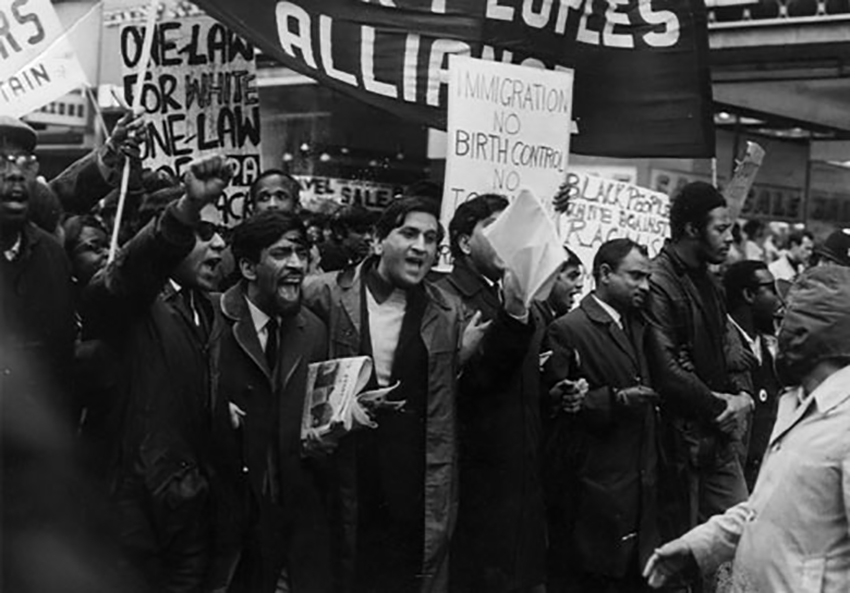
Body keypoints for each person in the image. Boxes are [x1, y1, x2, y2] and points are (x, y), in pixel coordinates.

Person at [644, 266, 850, 593]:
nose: (777, 334)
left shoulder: (844, 424)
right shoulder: (796, 405)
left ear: (806, 334)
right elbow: (764, 512)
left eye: (787, 322)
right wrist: (698, 547)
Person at [79, 154, 233, 592]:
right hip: (133, 521)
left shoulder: (209, 309)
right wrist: (186, 207)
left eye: (220, 233)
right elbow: (134, 269)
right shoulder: (125, 303)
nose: (219, 246)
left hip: (191, 515)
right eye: (203, 234)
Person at [303, 197, 464, 593]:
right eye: (408, 233)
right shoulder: (322, 294)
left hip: (411, 474)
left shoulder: (446, 311)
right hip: (342, 470)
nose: (420, 247)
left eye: (430, 239)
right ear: (377, 241)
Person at [208, 210, 331, 593]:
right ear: (247, 267)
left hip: (291, 527)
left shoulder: (312, 330)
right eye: (280, 254)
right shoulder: (211, 320)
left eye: (300, 252)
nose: (296, 264)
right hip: (225, 526)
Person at [436, 193, 547, 593]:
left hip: (521, 471)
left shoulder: (519, 294)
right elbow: (479, 380)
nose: (510, 240)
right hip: (478, 478)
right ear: (465, 243)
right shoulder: (446, 299)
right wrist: (514, 316)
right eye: (496, 228)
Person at [542, 238, 659, 593]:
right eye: (636, 276)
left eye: (647, 278)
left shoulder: (642, 326)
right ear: (604, 274)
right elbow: (555, 404)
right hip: (596, 490)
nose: (645, 286)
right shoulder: (569, 329)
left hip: (641, 488)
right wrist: (614, 401)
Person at [644, 182, 753, 548]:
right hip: (681, 441)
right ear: (692, 229)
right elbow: (667, 368)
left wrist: (743, 398)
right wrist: (722, 405)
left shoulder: (710, 281)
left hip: (718, 435)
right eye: (720, 229)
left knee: (742, 541)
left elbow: (735, 352)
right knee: (684, 548)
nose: (729, 239)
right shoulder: (659, 281)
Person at [724, 261, 783, 490]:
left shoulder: (769, 344)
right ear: (749, 294)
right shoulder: (723, 344)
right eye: (771, 289)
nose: (779, 298)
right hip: (735, 472)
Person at [319, 204, 377, 272]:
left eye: (370, 231)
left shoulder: (364, 259)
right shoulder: (319, 258)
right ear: (339, 232)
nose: (368, 237)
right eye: (360, 231)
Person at [538, 245, 584, 325]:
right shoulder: (530, 320)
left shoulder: (564, 322)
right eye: (572, 276)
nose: (579, 285)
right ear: (550, 277)